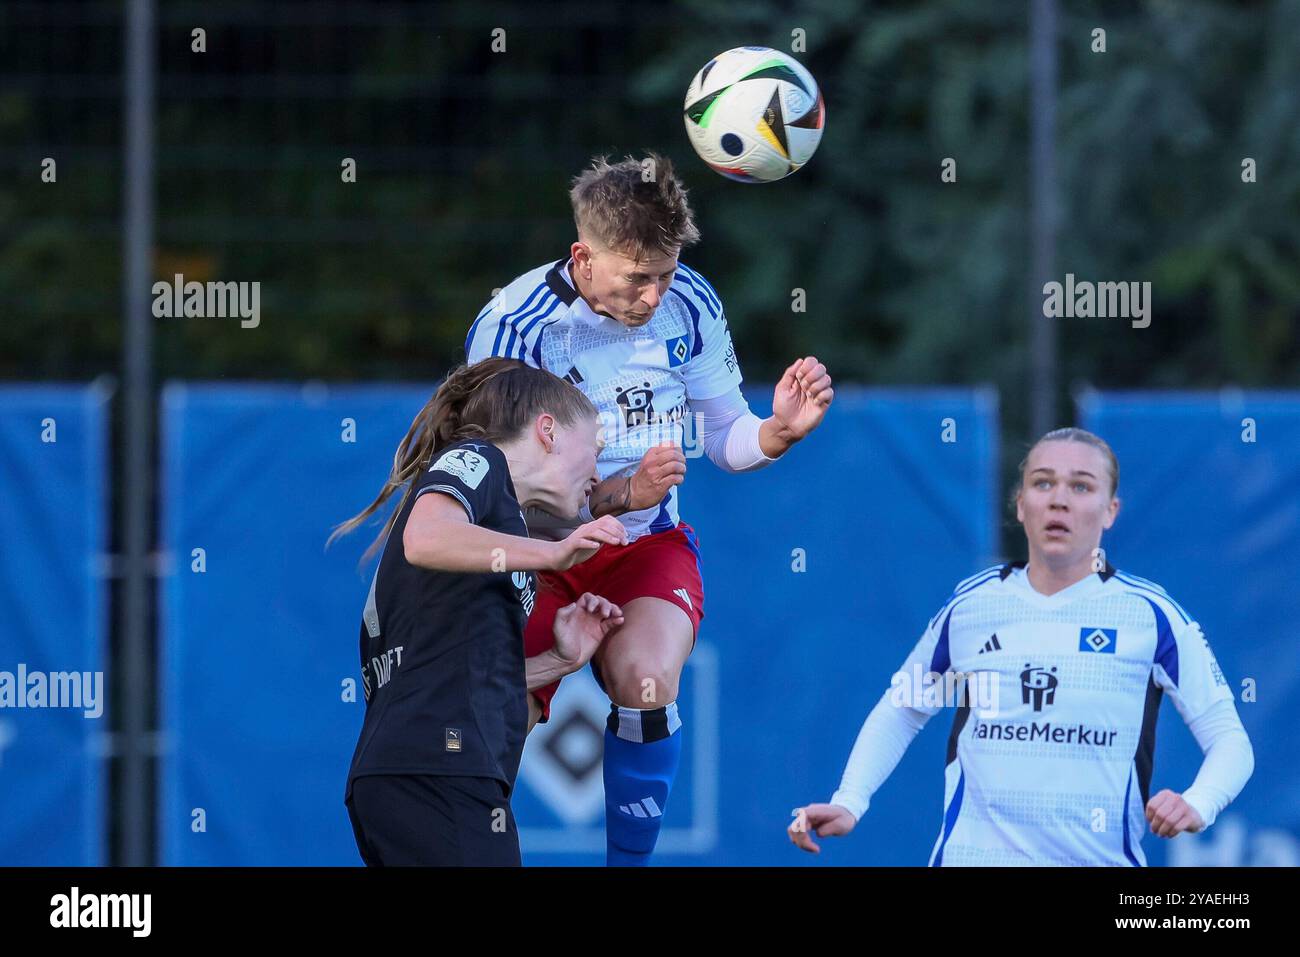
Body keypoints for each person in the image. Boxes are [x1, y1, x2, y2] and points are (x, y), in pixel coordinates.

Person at [465, 153, 834, 865]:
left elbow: (728, 437)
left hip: (643, 547)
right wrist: (612, 494)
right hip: (536, 555)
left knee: (646, 682)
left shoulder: (690, 301)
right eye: (638, 276)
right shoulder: (516, 326)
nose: (656, 293)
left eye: (666, 272)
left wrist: (778, 431)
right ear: (584, 256)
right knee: (490, 712)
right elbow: (489, 488)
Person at [789, 427, 1254, 866]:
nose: (1058, 500)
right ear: (1020, 505)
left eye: (1081, 487)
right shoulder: (972, 606)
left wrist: (1199, 802)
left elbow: (1230, 740)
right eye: (1043, 483)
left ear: (1111, 510)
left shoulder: (1151, 616)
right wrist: (850, 800)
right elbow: (902, 709)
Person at [332, 357, 629, 865]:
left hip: (424, 773)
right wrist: (556, 554)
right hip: (437, 772)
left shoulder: (501, 526)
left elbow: (454, 673)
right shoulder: (477, 460)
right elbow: (423, 539)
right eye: (596, 448)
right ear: (548, 431)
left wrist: (559, 660)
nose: (597, 473)